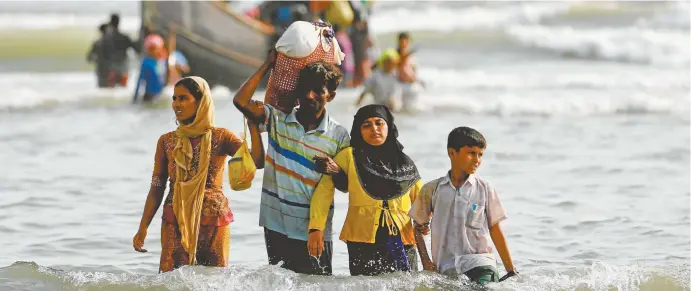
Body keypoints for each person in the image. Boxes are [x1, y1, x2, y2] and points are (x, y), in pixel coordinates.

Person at [232, 50, 350, 275]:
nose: (310, 95)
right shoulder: (277, 119)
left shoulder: (339, 135)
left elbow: (345, 186)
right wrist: (268, 64)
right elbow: (241, 101)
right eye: (305, 89)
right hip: (276, 224)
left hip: (314, 231)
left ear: (331, 96)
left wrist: (335, 170)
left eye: (318, 91)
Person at [132, 76, 265, 273]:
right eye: (174, 98)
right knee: (170, 282)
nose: (176, 104)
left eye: (183, 98)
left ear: (201, 101)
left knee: (216, 281)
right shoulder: (166, 141)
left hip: (214, 221)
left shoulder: (221, 137)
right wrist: (143, 227)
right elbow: (157, 186)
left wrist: (253, 126)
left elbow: (257, 161)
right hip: (175, 219)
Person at [308, 104, 422, 276]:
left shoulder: (405, 163)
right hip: (362, 239)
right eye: (366, 125)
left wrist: (425, 224)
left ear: (388, 126)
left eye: (379, 123)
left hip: (403, 239)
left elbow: (423, 201)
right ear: (359, 131)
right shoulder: (349, 156)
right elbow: (324, 190)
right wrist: (316, 228)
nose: (374, 129)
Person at [409, 127, 519, 286]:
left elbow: (495, 229)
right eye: (471, 153)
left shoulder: (485, 189)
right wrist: (426, 261)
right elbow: (417, 226)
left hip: (481, 263)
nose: (477, 160)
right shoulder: (432, 189)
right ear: (452, 153)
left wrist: (510, 269)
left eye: (480, 154)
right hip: (446, 267)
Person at [103, 13, 140, 87]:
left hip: (111, 66)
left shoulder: (106, 38)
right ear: (119, 22)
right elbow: (136, 49)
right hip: (123, 65)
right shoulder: (124, 37)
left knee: (111, 89)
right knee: (123, 87)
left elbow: (103, 54)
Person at [133, 34, 167, 103]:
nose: (153, 51)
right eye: (150, 49)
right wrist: (135, 98)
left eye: (155, 48)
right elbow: (139, 81)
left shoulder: (162, 61)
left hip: (160, 94)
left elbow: (164, 78)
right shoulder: (146, 63)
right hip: (149, 95)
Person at [396, 32, 423, 113]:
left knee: (413, 109)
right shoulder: (396, 54)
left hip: (412, 85)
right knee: (401, 110)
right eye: (402, 41)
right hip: (401, 85)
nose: (404, 43)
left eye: (406, 41)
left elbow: (415, 69)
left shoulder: (412, 56)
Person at [87, 23, 110, 88]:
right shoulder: (112, 42)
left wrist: (97, 60)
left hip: (100, 69)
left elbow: (89, 58)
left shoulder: (97, 43)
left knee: (102, 89)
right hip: (112, 69)